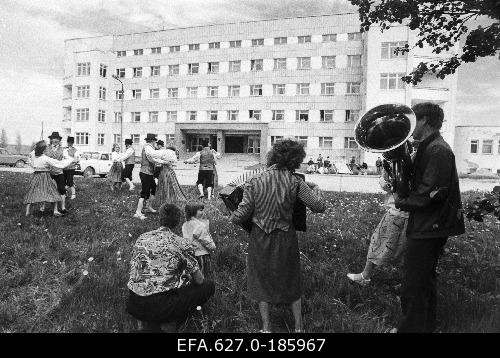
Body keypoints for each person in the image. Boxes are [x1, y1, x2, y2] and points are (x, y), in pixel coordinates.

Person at [230, 139, 326, 333]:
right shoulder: (296, 181)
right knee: (291, 278)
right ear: (296, 159)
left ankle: (266, 328)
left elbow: (241, 216)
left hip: (260, 236)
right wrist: (316, 189)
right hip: (285, 237)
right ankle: (298, 328)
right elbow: (318, 206)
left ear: (273, 156)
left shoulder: (254, 181)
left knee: (260, 278)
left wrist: (231, 214)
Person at [393, 102, 465, 333]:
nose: (410, 125)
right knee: (424, 281)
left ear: (424, 121)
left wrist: (399, 200)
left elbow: (431, 192)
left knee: (413, 283)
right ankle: (426, 327)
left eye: (414, 119)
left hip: (431, 224)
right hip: (428, 223)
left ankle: (410, 329)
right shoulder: (429, 147)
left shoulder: (438, 150)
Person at [126, 203, 215, 332]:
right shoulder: (181, 243)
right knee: (208, 285)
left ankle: (144, 322)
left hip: (134, 303)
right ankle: (169, 322)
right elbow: (199, 280)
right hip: (162, 306)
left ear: (159, 218)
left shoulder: (142, 238)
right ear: (178, 221)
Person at [347, 165, 409, 285]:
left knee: (379, 243)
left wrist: (388, 178)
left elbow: (387, 186)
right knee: (403, 249)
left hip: (398, 212)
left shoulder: (402, 162)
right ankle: (406, 283)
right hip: (408, 213)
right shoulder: (404, 161)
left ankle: (365, 276)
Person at [24, 141, 76, 217]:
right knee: (53, 192)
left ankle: (27, 212)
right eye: (45, 149)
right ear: (43, 150)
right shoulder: (45, 158)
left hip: (36, 176)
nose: (47, 150)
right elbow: (59, 164)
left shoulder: (34, 156)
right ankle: (55, 210)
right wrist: (71, 159)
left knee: (32, 192)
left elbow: (31, 158)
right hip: (45, 177)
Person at [133, 134, 170, 220]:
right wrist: (165, 154)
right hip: (145, 173)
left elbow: (152, 160)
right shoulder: (148, 147)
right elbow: (153, 155)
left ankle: (148, 207)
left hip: (149, 173)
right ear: (152, 141)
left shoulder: (150, 148)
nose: (155, 143)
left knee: (153, 188)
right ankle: (138, 212)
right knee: (145, 192)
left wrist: (163, 161)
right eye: (155, 141)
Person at [182, 203, 216, 277]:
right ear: (194, 211)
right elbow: (205, 240)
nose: (202, 212)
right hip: (202, 255)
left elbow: (186, 240)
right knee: (203, 275)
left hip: (191, 255)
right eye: (200, 210)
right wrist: (212, 246)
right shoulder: (200, 225)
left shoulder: (185, 224)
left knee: (193, 277)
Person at [44, 131, 69, 214]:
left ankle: (63, 207)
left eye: (57, 139)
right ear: (51, 140)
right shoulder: (46, 148)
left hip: (59, 172)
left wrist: (72, 160)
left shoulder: (63, 150)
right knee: (46, 189)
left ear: (59, 140)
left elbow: (67, 158)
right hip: (48, 172)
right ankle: (43, 207)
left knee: (62, 189)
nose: (55, 140)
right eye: (54, 138)